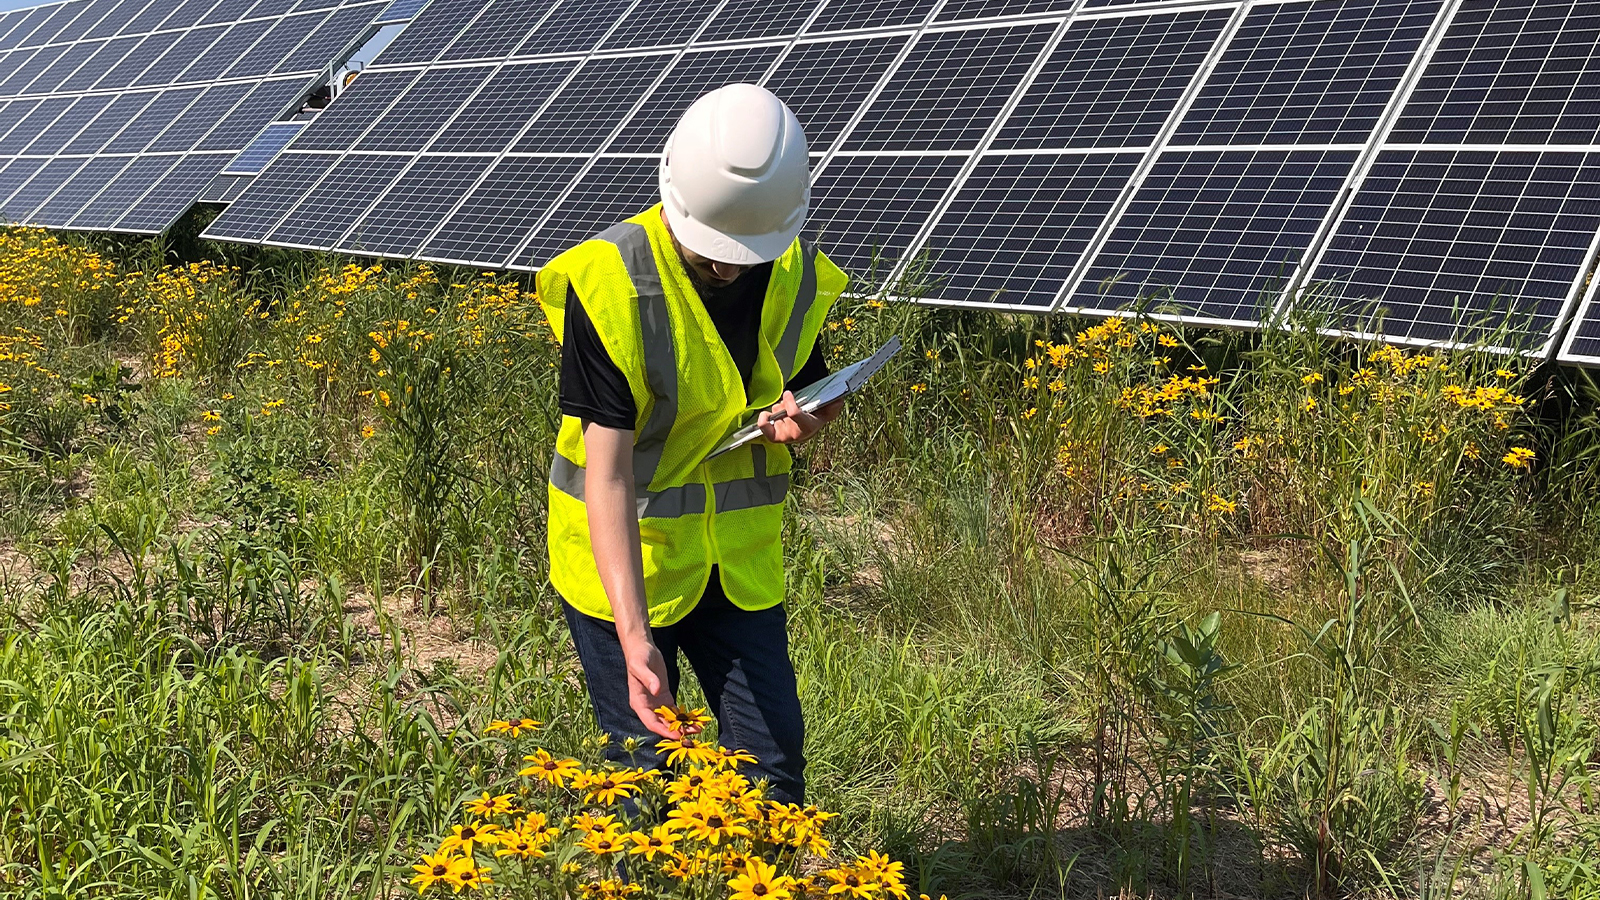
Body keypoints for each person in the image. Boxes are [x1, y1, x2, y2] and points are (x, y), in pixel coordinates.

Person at [535, 83, 848, 804]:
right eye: (713, 256)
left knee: (772, 771)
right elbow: (608, 476)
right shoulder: (610, 283)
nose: (732, 270)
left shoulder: (790, 266)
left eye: (747, 255)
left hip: (734, 565)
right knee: (645, 776)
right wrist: (634, 635)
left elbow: (808, 394)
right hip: (625, 563)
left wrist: (807, 420)